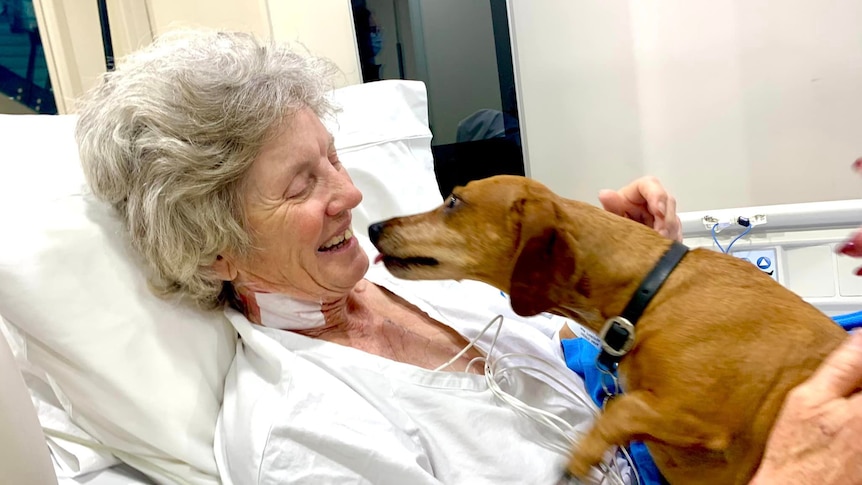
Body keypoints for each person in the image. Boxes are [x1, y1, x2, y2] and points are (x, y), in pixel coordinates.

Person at [72, 29, 860, 484]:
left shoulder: (421, 284)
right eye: (302, 182)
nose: (350, 194)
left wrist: (623, 268)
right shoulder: (300, 439)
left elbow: (609, 359)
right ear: (215, 248)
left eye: (335, 158)